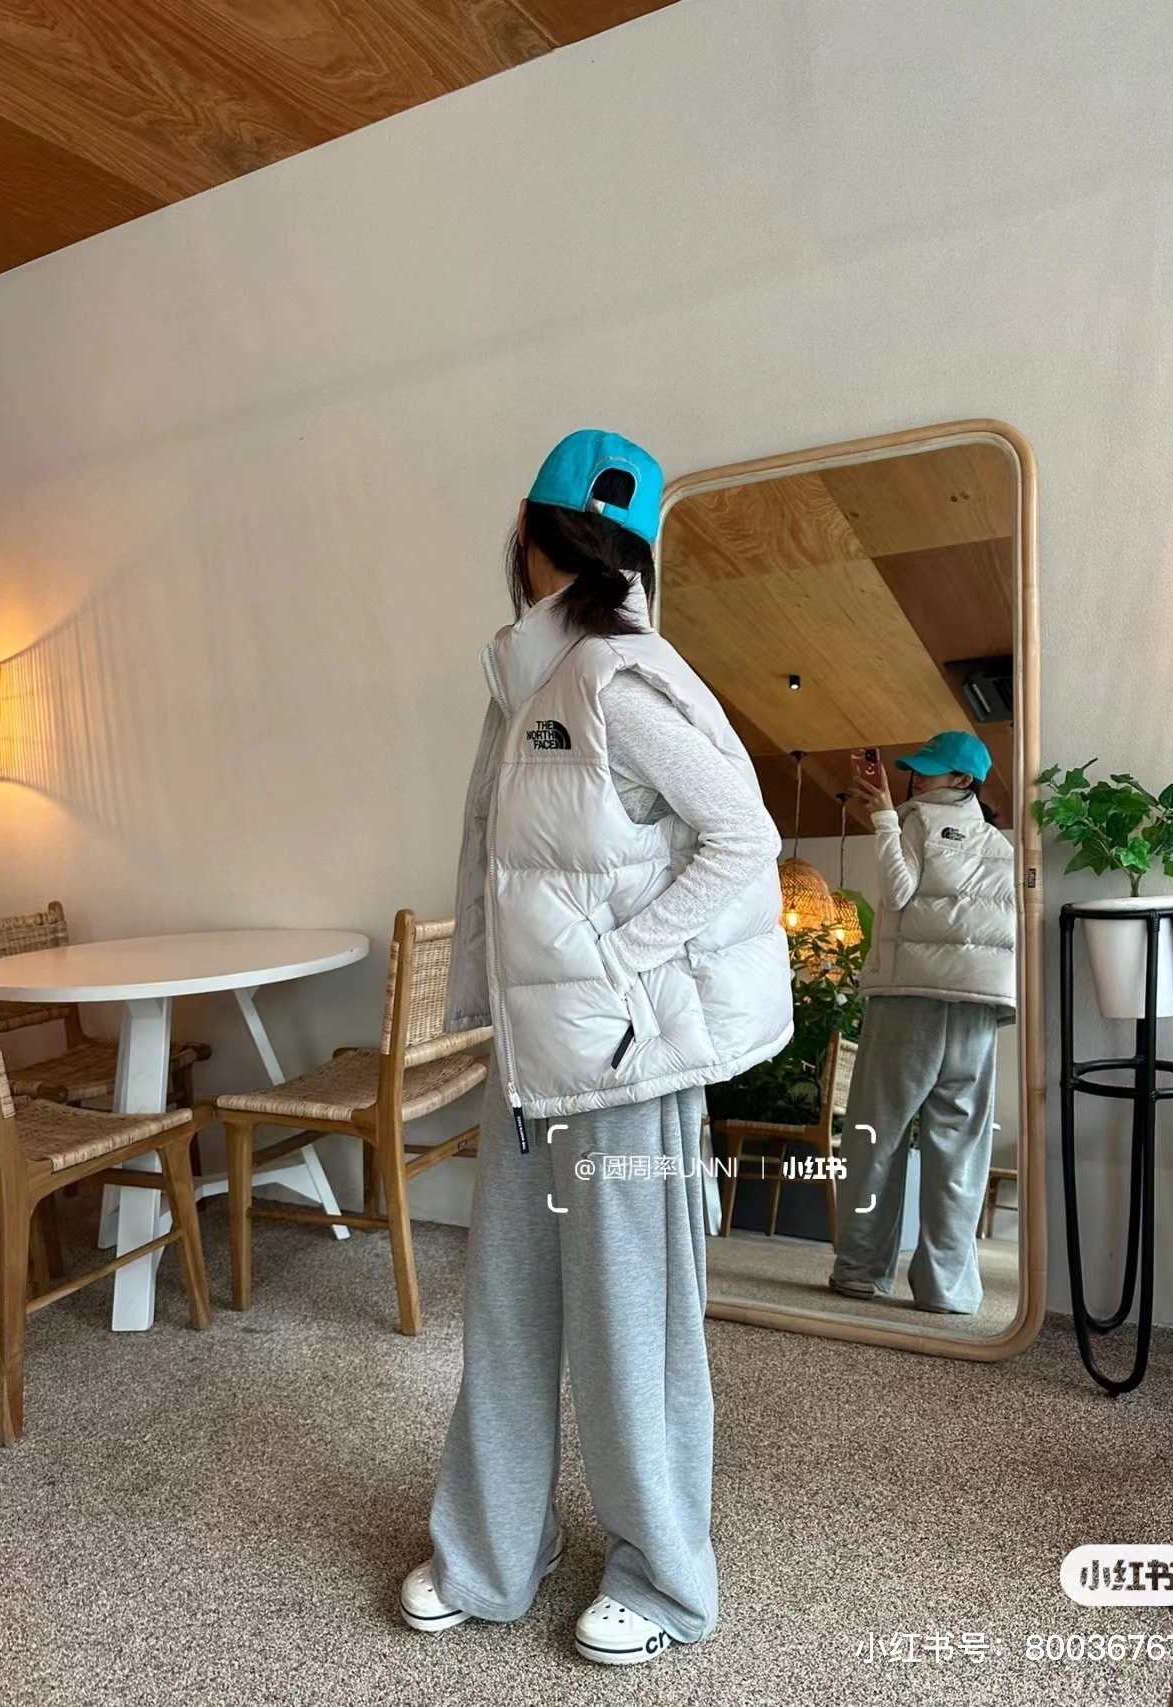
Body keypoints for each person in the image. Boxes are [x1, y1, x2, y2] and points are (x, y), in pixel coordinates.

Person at [400, 430, 793, 1665]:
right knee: (507, 1316)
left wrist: (623, 960)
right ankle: (487, 1558)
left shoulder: (619, 679)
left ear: (530, 535)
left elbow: (743, 840)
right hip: (530, 1065)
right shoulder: (524, 683)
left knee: (633, 1331)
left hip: (620, 1068)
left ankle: (662, 1580)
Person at [830, 731, 1015, 1315]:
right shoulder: (1001, 846)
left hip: (910, 997)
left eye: (928, 769)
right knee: (960, 1149)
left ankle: (860, 1270)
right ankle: (946, 1288)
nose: (914, 777)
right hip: (977, 1006)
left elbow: (899, 892)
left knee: (874, 1135)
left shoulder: (916, 822)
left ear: (962, 780)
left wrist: (885, 818)